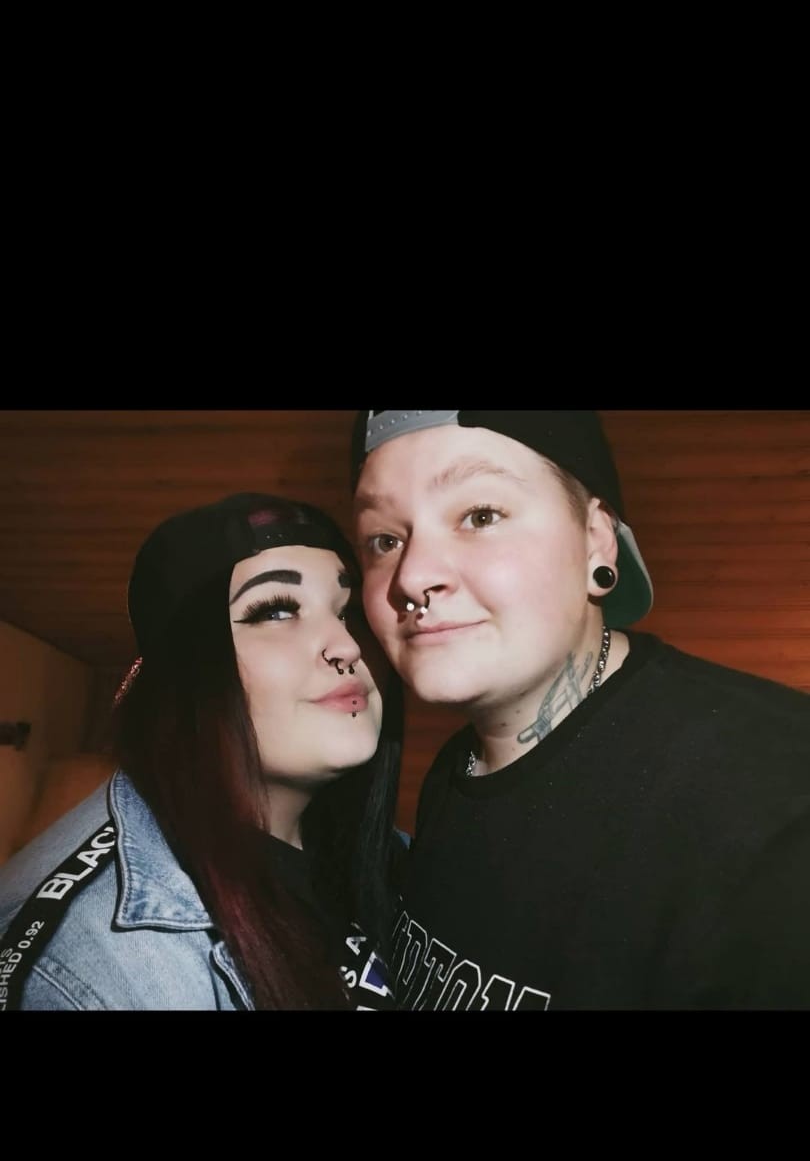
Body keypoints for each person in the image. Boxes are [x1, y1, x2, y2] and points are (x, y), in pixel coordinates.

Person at [351, 410, 810, 1010]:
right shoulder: (455, 769)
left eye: (480, 516)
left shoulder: (776, 805)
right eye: (385, 540)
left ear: (596, 538)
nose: (412, 577)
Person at [0, 493, 403, 1010]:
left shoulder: (390, 853)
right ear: (186, 672)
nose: (346, 646)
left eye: (348, 612)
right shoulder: (87, 973)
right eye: (277, 610)